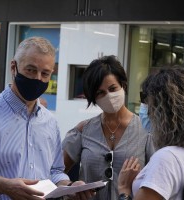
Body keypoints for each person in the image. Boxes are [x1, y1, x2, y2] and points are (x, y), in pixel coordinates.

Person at [0, 37, 95, 200]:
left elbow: (54, 171)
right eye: (31, 70)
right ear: (14, 67)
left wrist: (69, 186)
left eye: (45, 73)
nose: (38, 78)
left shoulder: (50, 121)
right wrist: (5, 186)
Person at [62, 55, 155, 200]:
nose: (109, 96)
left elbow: (156, 180)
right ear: (93, 97)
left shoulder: (145, 131)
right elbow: (57, 171)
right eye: (100, 93)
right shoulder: (83, 130)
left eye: (113, 88)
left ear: (123, 85)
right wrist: (70, 188)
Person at [118, 67, 184, 200]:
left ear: (161, 111)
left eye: (146, 101)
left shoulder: (167, 158)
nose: (143, 109)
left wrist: (124, 190)